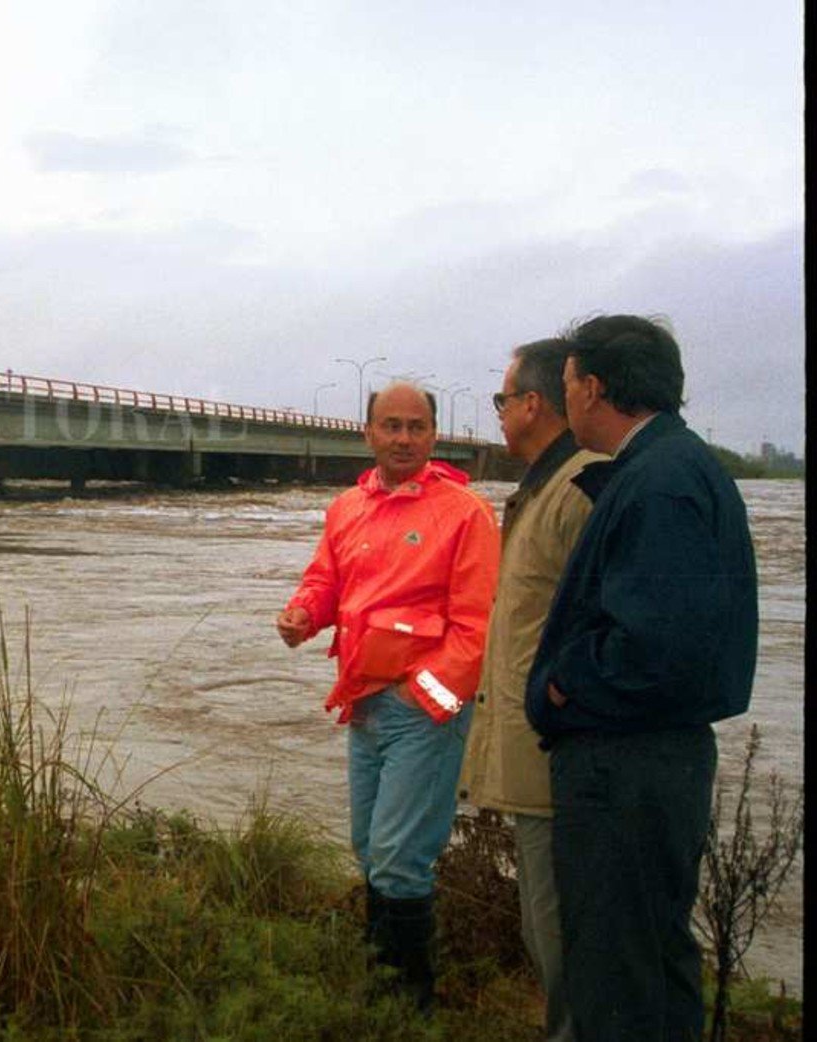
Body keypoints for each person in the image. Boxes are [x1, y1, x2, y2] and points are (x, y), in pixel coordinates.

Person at [526, 315, 757, 1042]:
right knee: (650, 963)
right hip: (647, 764)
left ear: (593, 388)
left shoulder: (657, 483)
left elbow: (653, 650)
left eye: (566, 388)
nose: (564, 405)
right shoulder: (668, 467)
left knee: (614, 974)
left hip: (622, 768)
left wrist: (562, 684)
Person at [276, 382, 499, 1011]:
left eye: (417, 427)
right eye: (391, 426)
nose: (404, 438)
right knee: (370, 850)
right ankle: (378, 989)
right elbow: (327, 579)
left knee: (401, 858)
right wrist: (302, 613)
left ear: (434, 435)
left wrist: (423, 698)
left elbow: (476, 627)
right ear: (368, 432)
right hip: (363, 703)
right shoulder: (348, 507)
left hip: (422, 712)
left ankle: (409, 1005)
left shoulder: (467, 513)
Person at [459, 339, 604, 1042]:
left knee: (562, 935)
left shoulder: (580, 489)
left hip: (559, 761)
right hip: (535, 755)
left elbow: (604, 629)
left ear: (531, 405)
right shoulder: (545, 489)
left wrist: (561, 716)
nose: (498, 414)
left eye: (501, 398)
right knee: (546, 928)